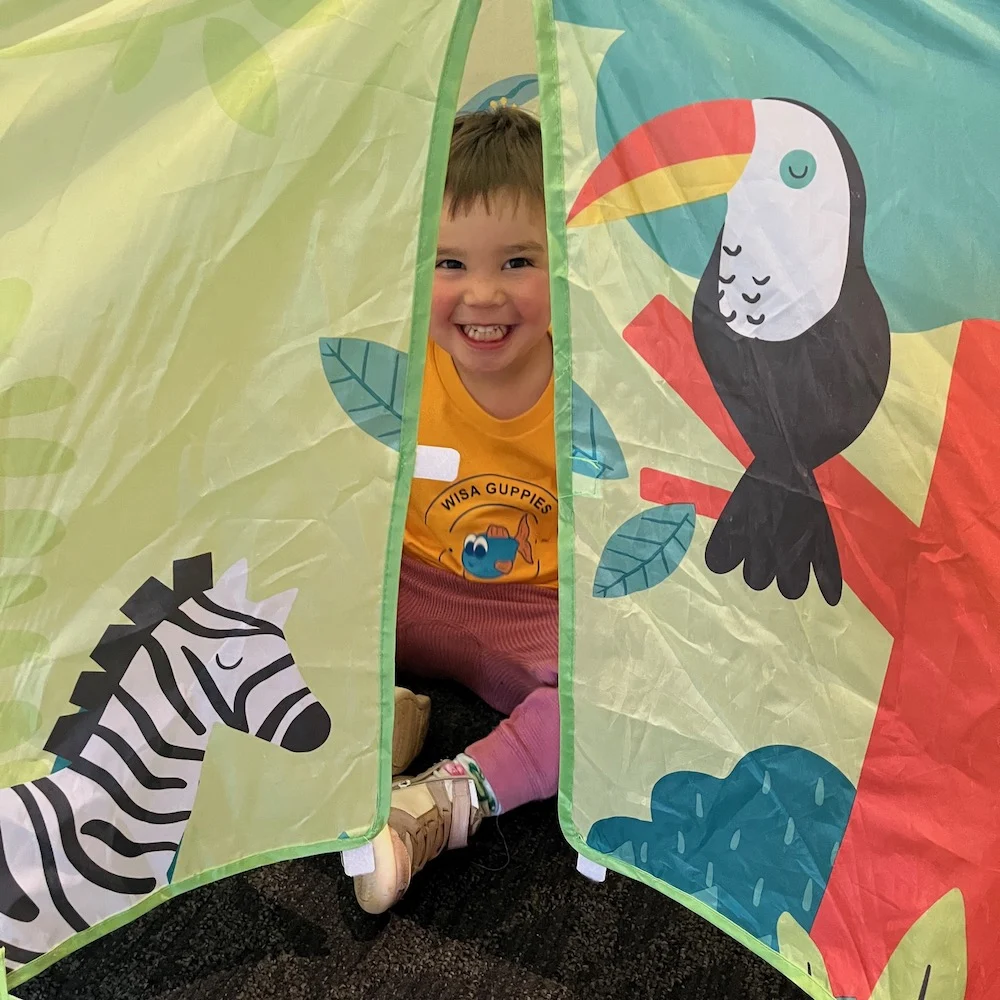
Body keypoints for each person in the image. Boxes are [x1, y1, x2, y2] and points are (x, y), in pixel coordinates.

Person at [353, 104, 559, 914]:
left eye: (517, 262)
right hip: (405, 587)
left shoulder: (592, 383)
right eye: (448, 264)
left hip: (531, 611)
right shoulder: (396, 367)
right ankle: (384, 716)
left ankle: (444, 801)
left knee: (625, 694)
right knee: (277, 596)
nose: (482, 294)